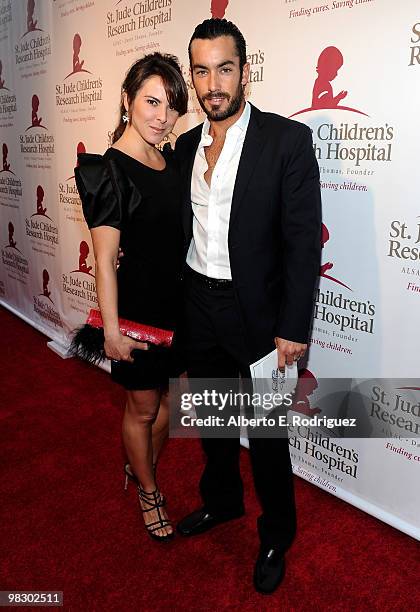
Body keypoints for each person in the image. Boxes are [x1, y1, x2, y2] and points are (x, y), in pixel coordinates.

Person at [174, 19, 321, 593]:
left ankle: (276, 534)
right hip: (199, 305)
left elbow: (302, 242)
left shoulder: (285, 141)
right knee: (213, 422)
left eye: (225, 68)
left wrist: (292, 326)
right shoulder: (185, 146)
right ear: (193, 76)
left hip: (260, 317)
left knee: (265, 438)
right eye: (202, 70)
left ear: (245, 72)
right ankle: (223, 503)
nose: (214, 83)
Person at [74, 53, 188, 541]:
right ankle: (147, 490)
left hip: (181, 306)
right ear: (126, 101)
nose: (162, 116)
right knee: (142, 409)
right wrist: (113, 334)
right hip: (139, 313)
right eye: (151, 101)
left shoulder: (171, 158)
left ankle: (139, 467)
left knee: (173, 406)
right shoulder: (108, 172)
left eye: (171, 105)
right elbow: (103, 261)